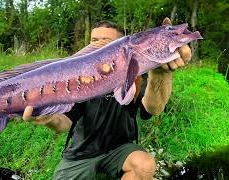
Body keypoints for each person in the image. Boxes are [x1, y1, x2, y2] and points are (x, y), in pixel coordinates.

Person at [23, 17, 192, 180]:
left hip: (120, 148)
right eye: (93, 40)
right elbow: (64, 123)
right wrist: (47, 117)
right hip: (80, 154)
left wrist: (160, 73)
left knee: (144, 164)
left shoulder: (136, 74)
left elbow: (153, 108)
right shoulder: (76, 80)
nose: (97, 46)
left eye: (105, 41)